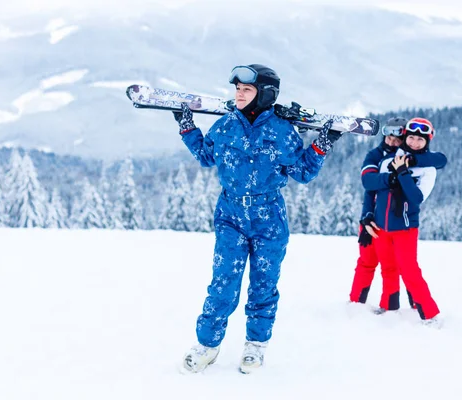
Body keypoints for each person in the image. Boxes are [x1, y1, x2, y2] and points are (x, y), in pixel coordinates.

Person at [172, 64, 343, 373]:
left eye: (246, 89)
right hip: (231, 216)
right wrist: (187, 127)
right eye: (237, 88)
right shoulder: (225, 126)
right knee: (223, 284)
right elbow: (206, 156)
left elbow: (302, 172)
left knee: (263, 286)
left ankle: (255, 346)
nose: (239, 93)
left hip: (269, 220)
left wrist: (322, 145)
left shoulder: (283, 131)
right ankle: (208, 346)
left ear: (263, 94)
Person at [350, 117, 446, 309]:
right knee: (368, 262)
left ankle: (417, 305)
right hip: (374, 219)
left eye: (397, 138)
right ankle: (356, 305)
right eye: (389, 137)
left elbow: (440, 159)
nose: (392, 142)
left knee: (404, 267)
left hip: (399, 223)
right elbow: (369, 185)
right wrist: (367, 214)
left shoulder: (408, 157)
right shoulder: (377, 156)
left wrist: (408, 164)